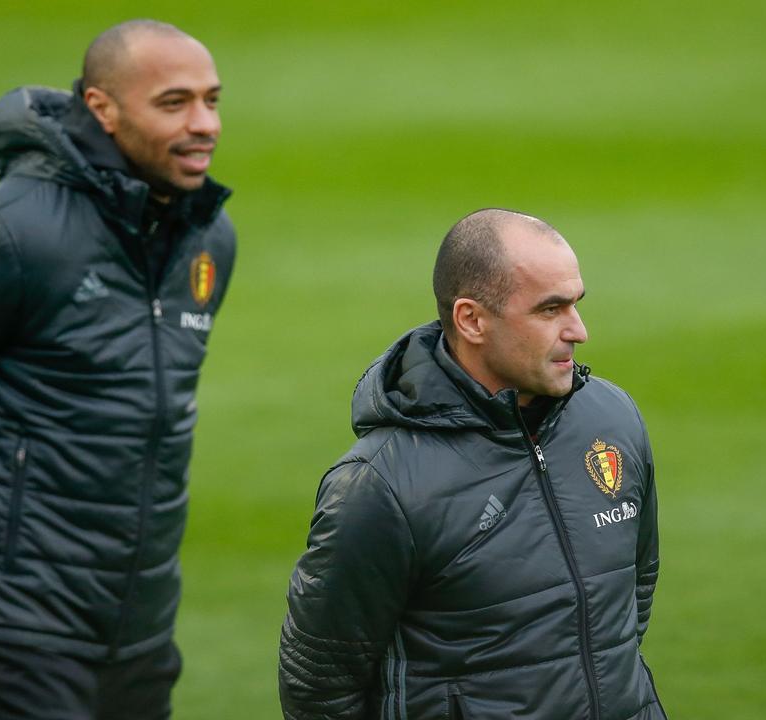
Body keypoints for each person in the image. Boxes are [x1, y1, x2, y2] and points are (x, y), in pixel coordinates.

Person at [0, 19, 234, 720]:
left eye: (212, 100)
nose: (204, 123)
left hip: (137, 623)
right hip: (10, 624)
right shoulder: (10, 234)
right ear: (101, 109)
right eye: (174, 103)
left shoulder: (205, 238)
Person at [279, 209, 667, 720]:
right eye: (550, 310)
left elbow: (630, 594)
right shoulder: (381, 484)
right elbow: (319, 681)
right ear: (472, 320)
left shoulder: (612, 418)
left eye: (576, 304)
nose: (579, 330)